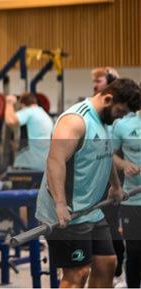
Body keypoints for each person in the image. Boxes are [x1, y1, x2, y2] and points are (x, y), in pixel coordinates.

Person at [36, 78, 141, 288]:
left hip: (90, 210)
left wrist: (116, 187)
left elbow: (106, 153)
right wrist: (59, 203)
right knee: (78, 273)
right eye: (120, 111)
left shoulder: (105, 121)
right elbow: (55, 161)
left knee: (106, 264)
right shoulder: (76, 120)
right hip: (69, 212)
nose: (121, 117)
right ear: (108, 98)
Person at [91, 66, 125, 287]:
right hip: (98, 174)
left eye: (99, 80)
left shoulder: (119, 113)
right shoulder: (94, 110)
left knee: (111, 223)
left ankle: (117, 271)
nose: (95, 84)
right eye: (93, 81)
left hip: (114, 174)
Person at [113, 106, 141, 288]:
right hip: (132, 198)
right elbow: (110, 154)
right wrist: (124, 164)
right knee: (134, 250)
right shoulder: (123, 125)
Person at [4, 92, 54, 172]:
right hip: (44, 163)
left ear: (22, 105)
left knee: (10, 172)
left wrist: (9, 102)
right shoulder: (43, 114)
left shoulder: (30, 111)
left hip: (32, 164)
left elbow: (10, 121)